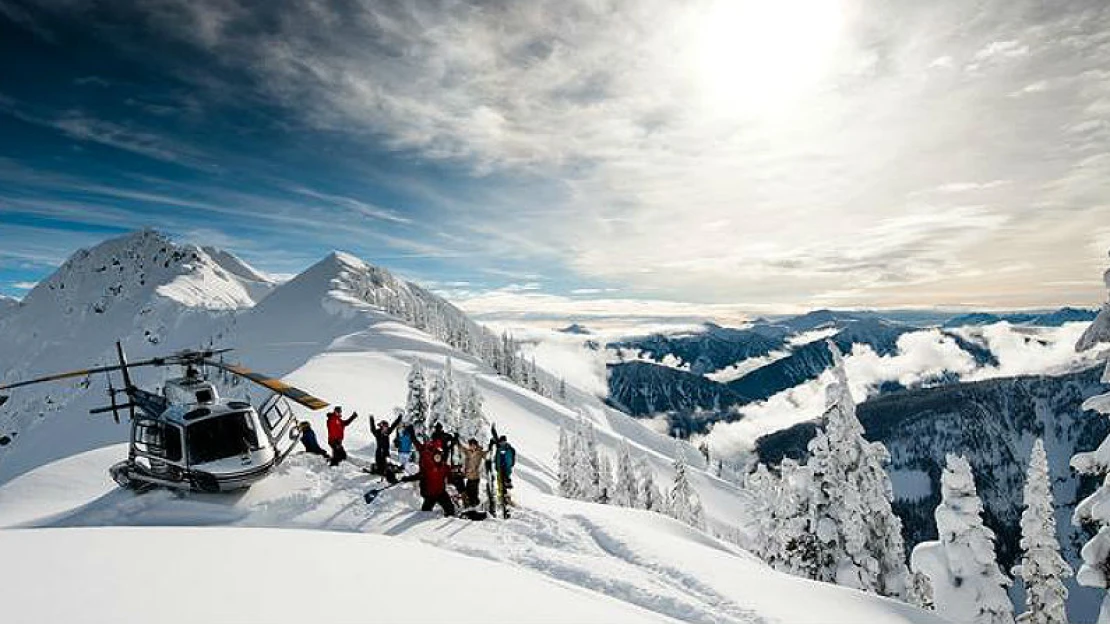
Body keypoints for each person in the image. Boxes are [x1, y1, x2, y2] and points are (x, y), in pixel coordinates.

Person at [402, 446, 455, 517]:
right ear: (433, 457)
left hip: (441, 493)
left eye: (439, 456)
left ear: (441, 457)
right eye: (436, 456)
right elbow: (418, 475)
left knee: (450, 510)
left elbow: (450, 475)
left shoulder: (445, 467)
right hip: (431, 495)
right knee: (425, 512)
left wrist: (452, 480)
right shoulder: (428, 467)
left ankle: (448, 518)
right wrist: (407, 478)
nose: (437, 458)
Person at [372, 413, 402, 482]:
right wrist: (372, 420)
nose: (387, 428)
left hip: (386, 454)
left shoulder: (387, 432)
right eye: (385, 427)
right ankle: (391, 479)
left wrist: (399, 419)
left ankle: (390, 469)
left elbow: (393, 425)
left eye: (387, 427)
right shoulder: (377, 434)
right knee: (383, 469)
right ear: (382, 427)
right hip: (379, 455)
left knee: (388, 466)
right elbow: (372, 429)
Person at [460, 438, 487, 508]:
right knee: (468, 492)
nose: (472, 446)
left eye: (474, 445)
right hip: (469, 477)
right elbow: (461, 448)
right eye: (471, 445)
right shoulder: (468, 452)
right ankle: (470, 505)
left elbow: (487, 455)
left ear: (476, 445)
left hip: (475, 477)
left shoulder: (480, 452)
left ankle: (475, 505)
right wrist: (456, 441)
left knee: (474, 493)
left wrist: (491, 447)